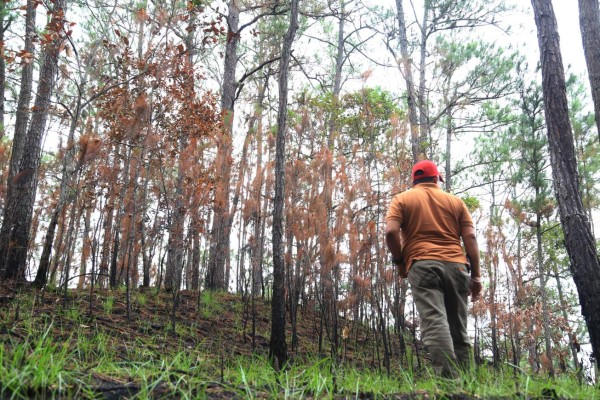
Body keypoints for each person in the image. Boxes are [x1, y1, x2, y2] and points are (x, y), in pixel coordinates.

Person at [385, 160, 482, 378]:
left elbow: (391, 232)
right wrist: (476, 277)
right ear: (437, 178)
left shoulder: (402, 199)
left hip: (422, 264)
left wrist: (400, 263)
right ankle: (467, 383)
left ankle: (450, 383)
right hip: (457, 266)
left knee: (435, 322)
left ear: (414, 180)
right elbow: (471, 238)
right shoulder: (456, 202)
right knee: (459, 327)